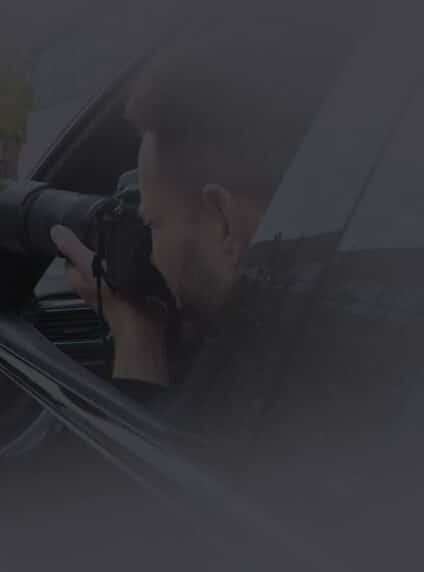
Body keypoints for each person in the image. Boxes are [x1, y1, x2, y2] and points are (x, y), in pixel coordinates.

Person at [50, 4, 358, 410]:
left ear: (223, 221)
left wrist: (136, 336)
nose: (151, 255)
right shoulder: (340, 333)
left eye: (155, 224)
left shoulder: (266, 387)